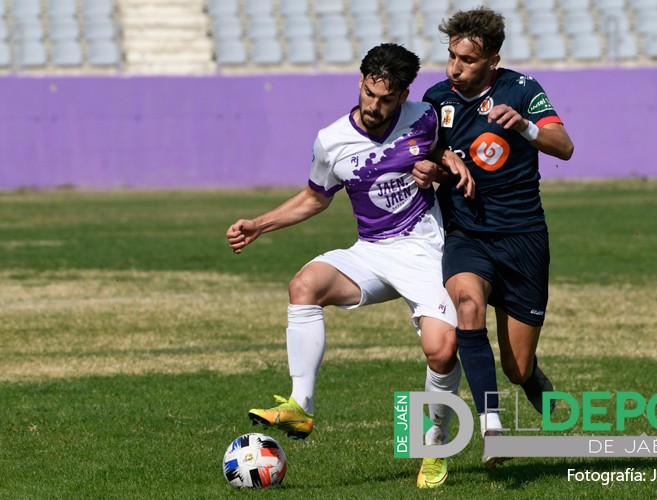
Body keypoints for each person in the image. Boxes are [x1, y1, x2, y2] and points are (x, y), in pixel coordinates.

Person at [226, 43, 474, 489]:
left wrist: (441, 162)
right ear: (360, 83)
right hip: (372, 251)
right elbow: (314, 198)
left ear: (403, 94)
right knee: (304, 284)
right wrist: (259, 225)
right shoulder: (331, 140)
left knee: (442, 350)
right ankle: (301, 407)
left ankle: (434, 445)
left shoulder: (426, 116)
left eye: (386, 98)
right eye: (369, 94)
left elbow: (442, 155)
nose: (375, 106)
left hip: (425, 251)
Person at [413, 7, 574, 467]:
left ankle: (531, 378)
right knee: (468, 308)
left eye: (466, 60)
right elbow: (422, 153)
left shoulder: (521, 90)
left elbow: (564, 146)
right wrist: (436, 162)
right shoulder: (436, 97)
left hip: (523, 238)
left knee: (517, 366)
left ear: (492, 61)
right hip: (467, 233)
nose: (454, 69)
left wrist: (524, 126)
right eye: (451, 57)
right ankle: (491, 424)